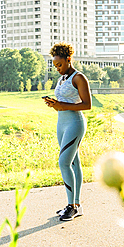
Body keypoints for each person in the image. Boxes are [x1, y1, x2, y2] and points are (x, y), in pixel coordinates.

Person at [44, 42, 91, 221]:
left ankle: (71, 206)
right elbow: (64, 101)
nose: (57, 68)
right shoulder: (62, 78)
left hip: (74, 123)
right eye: (55, 66)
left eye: (60, 64)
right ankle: (76, 204)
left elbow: (87, 105)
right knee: (73, 163)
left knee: (63, 162)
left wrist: (62, 106)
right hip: (61, 123)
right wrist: (55, 104)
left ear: (68, 59)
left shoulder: (79, 78)